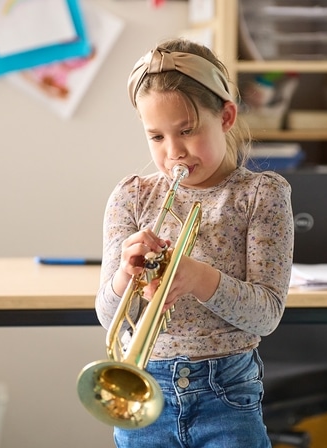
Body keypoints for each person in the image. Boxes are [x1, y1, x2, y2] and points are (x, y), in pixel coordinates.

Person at [94, 38, 294, 448]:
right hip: (143, 389)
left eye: (187, 131)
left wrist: (199, 279)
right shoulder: (132, 197)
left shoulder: (259, 195)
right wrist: (123, 277)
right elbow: (108, 315)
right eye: (156, 137)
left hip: (228, 394)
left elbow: (267, 315)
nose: (173, 153)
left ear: (225, 116)